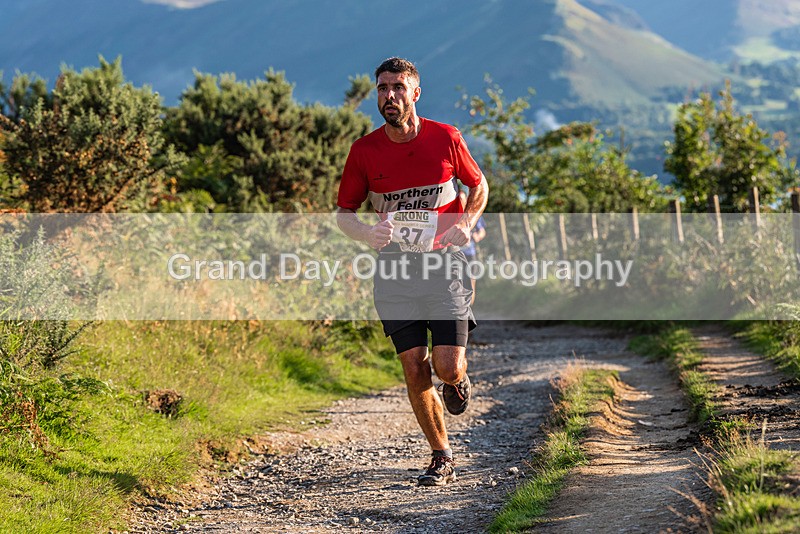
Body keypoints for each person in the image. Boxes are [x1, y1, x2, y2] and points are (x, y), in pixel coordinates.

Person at [336, 57, 489, 487]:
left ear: (415, 93)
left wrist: (466, 223)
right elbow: (343, 214)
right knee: (412, 366)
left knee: (445, 367)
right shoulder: (364, 151)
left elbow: (478, 186)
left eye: (398, 87)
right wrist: (368, 233)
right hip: (395, 272)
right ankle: (441, 456)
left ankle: (457, 378)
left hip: (444, 266)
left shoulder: (445, 138)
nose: (389, 95)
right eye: (382, 88)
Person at [458, 190, 486, 306]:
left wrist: (477, 236)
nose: (461, 202)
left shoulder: (473, 214)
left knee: (470, 283)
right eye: (458, 200)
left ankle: (469, 311)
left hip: (469, 253)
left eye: (462, 200)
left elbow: (482, 231)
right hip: (453, 255)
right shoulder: (449, 214)